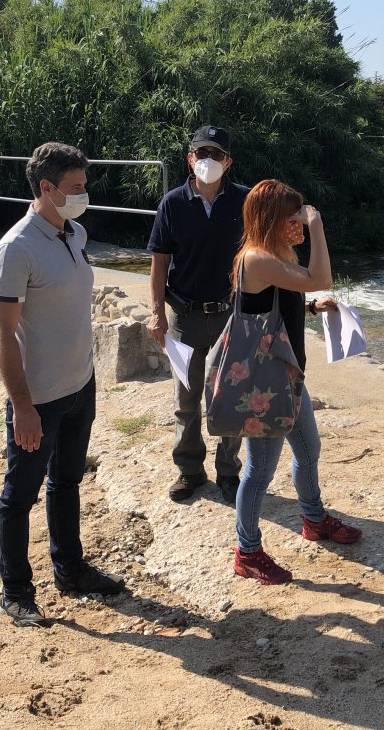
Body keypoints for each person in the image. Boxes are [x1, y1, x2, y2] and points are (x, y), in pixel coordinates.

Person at [0, 142, 124, 627]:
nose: (83, 195)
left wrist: (87, 377)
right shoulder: (16, 248)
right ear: (45, 189)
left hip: (79, 387)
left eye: (84, 185)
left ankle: (70, 570)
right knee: (19, 495)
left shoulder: (76, 232)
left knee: (66, 482)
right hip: (38, 399)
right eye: (74, 188)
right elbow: (2, 333)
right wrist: (22, 406)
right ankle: (16, 591)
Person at [230, 179, 362, 585]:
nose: (300, 225)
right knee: (260, 469)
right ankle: (247, 552)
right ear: (271, 220)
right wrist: (319, 227)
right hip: (264, 386)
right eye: (293, 218)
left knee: (308, 448)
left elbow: (275, 300)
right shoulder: (255, 258)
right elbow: (320, 275)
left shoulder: (272, 255)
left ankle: (314, 518)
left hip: (287, 376)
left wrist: (308, 305)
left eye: (303, 218)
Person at [147, 126, 248, 504]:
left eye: (215, 154)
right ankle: (190, 471)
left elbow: (262, 254)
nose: (207, 160)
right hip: (184, 317)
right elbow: (159, 264)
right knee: (186, 399)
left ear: (228, 162)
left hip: (229, 316)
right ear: (189, 158)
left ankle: (228, 472)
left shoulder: (245, 201)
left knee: (229, 397)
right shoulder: (172, 203)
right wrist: (157, 313)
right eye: (201, 153)